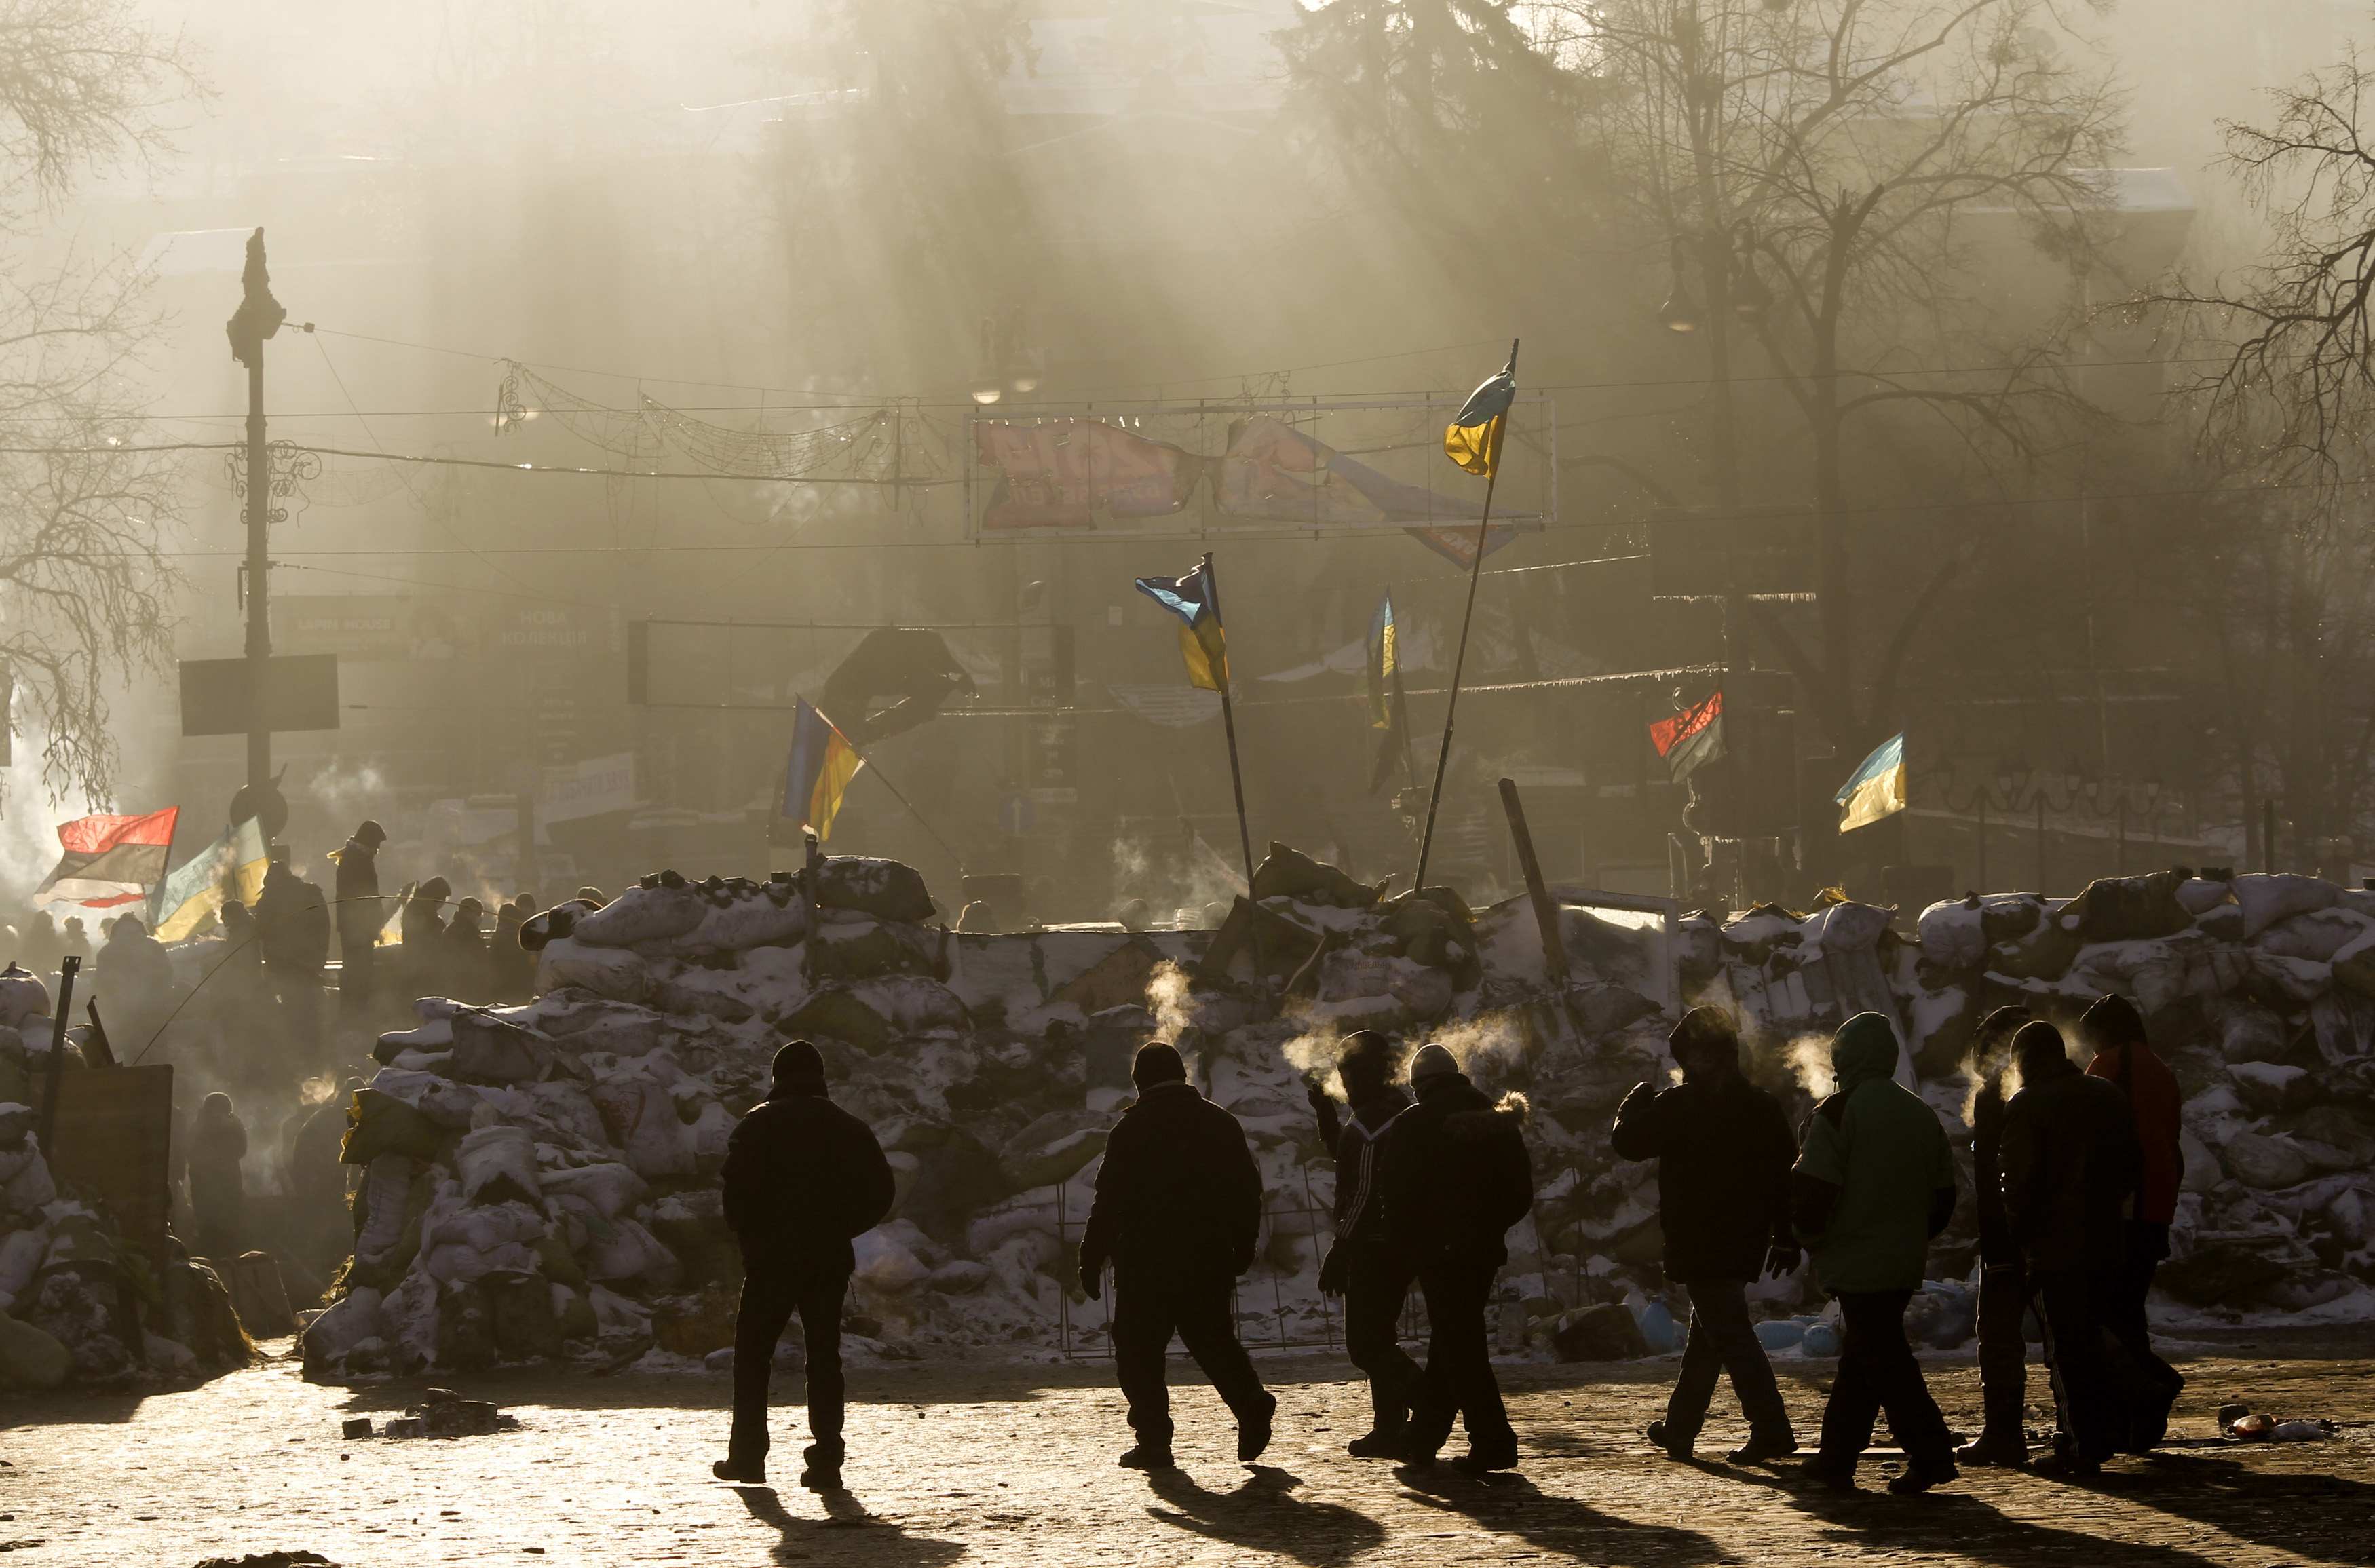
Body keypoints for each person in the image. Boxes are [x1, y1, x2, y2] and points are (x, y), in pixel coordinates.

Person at [1613, 1005, 1801, 1464]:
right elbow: (1785, 1176)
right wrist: (1784, 1235)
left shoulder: (1680, 1105)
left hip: (1700, 1241)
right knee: (1710, 1332)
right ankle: (1680, 1427)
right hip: (1745, 1240)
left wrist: (1630, 1105)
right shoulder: (1762, 1105)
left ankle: (1772, 1428)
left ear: (1699, 1057)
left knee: (1730, 1333)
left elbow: (1628, 1143)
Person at [1078, 1040, 1274, 1471]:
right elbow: (1247, 1192)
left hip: (1145, 1263)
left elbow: (1107, 1201)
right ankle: (1252, 1403)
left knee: (1138, 1351)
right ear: (1183, 1076)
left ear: (1138, 1082)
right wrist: (1243, 1245)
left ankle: (1154, 1441)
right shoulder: (1221, 1122)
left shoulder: (1130, 1129)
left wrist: (1091, 1258)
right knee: (1211, 1339)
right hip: (1209, 1258)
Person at [1791, 1011, 1958, 1494]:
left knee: (1885, 1359)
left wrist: (1810, 1238)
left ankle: (1931, 1454)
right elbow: (1943, 1195)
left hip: (1856, 1260)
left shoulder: (1838, 1111)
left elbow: (1813, 1191)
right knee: (1865, 1355)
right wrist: (1910, 1236)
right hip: (1902, 1259)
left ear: (1844, 1058)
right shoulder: (1919, 1111)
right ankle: (1836, 1457)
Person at [715, 1039, 894, 1489]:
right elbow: (880, 1192)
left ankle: (748, 1455)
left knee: (753, 1356)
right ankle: (827, 1459)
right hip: (827, 1258)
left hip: (770, 1261)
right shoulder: (849, 1127)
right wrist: (840, 1227)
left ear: (777, 1078)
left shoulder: (756, 1126)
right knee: (824, 1357)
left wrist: (753, 1237)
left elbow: (733, 1197)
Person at [1381, 1041, 1534, 1474]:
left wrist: (1408, 1250)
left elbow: (1396, 1197)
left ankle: (1494, 1441)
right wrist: (1486, 1228)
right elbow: (1520, 1193)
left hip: (1437, 1253)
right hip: (1482, 1251)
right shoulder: (1499, 1119)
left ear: (1420, 1085)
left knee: (1461, 1345)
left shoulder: (1415, 1124)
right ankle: (1425, 1436)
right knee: (1453, 1339)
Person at [2000, 1018, 2142, 1478]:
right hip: (2107, 1239)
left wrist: (2019, 1239)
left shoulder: (2029, 1104)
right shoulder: (2107, 1094)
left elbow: (2019, 1183)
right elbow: (2131, 1167)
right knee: (2102, 1341)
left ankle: (2081, 1442)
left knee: (2066, 1348)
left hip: (2056, 1247)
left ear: (2028, 1060)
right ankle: (2108, 1430)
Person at [2079, 992, 2188, 1451]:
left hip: (2122, 1209)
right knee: (2128, 1308)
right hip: (2156, 1205)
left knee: (2107, 1313)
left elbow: (2092, 1142)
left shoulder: (2109, 1068)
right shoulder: (2161, 1069)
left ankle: (2154, 1384)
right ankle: (2136, 1421)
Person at [1306, 1029, 1420, 1457]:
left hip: (1374, 1246)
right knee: (1379, 1339)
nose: (1345, 1085)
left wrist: (1340, 1248)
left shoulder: (1376, 1121)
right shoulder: (1392, 1112)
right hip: (1390, 1244)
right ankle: (1389, 1427)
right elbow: (1348, 1155)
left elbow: (1363, 1190)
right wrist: (1325, 1114)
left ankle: (1428, 1403)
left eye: (1349, 1075)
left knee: (1365, 1344)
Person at [1958, 1003, 2038, 1468]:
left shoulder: (1999, 1099)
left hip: (2008, 1238)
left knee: (2000, 1336)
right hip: (2048, 1235)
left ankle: (2004, 1433)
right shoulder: (2043, 1092)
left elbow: (1998, 1175)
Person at [185, 1092, 250, 1261]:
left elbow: (241, 1149)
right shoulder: (201, 1127)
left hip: (222, 1187)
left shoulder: (226, 1125)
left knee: (225, 1230)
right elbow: (192, 1153)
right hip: (210, 1188)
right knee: (215, 1231)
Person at [333, 820, 387, 1012]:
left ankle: (353, 1009)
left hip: (354, 927)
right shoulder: (359, 861)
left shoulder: (353, 858)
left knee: (354, 970)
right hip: (357, 929)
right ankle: (355, 1012)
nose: (377, 849)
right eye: (377, 845)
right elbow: (365, 897)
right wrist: (374, 922)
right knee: (358, 972)